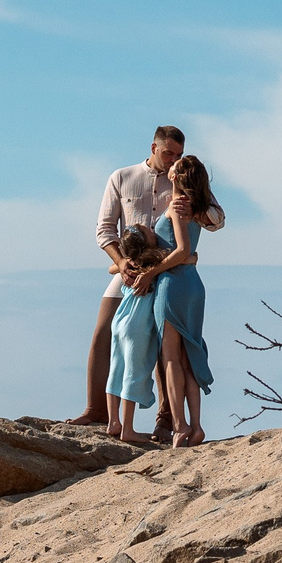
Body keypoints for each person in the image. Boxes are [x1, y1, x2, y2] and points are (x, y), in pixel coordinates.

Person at [70, 126, 225, 432]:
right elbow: (104, 230)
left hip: (169, 271)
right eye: (168, 153)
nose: (173, 159)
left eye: (178, 154)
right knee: (105, 332)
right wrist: (122, 262)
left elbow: (218, 220)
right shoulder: (122, 177)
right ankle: (96, 410)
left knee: (164, 345)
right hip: (129, 268)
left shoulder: (181, 179)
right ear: (154, 148)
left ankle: (166, 419)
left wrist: (197, 208)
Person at [132, 153, 218, 446]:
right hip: (193, 283)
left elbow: (181, 251)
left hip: (173, 284)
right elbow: (188, 250)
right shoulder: (197, 208)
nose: (171, 167)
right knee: (187, 356)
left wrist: (150, 272)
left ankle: (180, 425)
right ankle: (196, 426)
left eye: (176, 167)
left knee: (170, 357)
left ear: (179, 177)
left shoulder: (177, 207)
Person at [102, 226, 166, 444]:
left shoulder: (129, 265)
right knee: (134, 372)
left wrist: (122, 263)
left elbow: (112, 269)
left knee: (116, 368)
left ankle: (113, 422)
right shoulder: (154, 261)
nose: (153, 230)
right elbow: (178, 259)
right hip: (136, 324)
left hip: (119, 321)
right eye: (149, 232)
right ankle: (128, 428)